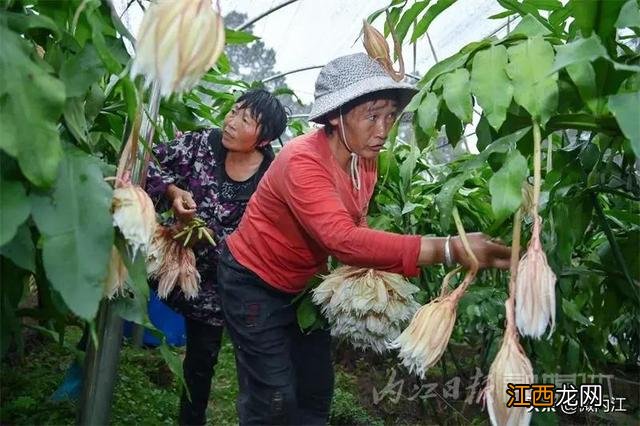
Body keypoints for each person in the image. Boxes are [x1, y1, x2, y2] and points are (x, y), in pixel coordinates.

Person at [216, 53, 512, 425]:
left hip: (302, 282)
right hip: (252, 282)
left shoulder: (363, 159)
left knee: (316, 388)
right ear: (336, 117)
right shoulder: (302, 161)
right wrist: (450, 248)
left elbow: (356, 221)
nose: (383, 129)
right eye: (372, 116)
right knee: (273, 395)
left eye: (390, 116)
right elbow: (341, 238)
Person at [145, 89, 287, 426]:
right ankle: (89, 366)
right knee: (119, 295)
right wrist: (173, 191)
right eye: (234, 111)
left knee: (200, 366)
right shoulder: (199, 146)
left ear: (264, 139)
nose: (232, 122)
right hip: (168, 262)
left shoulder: (272, 178)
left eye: (245, 119)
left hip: (220, 291)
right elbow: (146, 161)